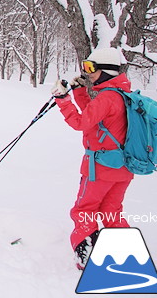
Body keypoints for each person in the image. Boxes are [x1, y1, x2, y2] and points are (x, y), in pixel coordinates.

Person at [50, 47, 133, 270]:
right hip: (123, 168)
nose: (89, 73)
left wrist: (63, 99)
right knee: (110, 211)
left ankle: (87, 258)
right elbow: (97, 120)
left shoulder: (107, 97)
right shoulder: (122, 94)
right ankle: (125, 254)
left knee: (83, 211)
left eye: (92, 68)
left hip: (101, 167)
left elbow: (81, 123)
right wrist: (79, 93)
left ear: (106, 71)